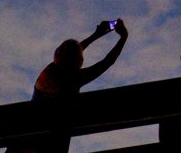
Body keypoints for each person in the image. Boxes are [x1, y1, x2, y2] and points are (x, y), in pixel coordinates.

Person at [27, 18, 129, 153]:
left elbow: (70, 53)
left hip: (28, 131)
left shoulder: (50, 71)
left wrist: (96, 35)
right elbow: (107, 62)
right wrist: (123, 37)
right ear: (78, 61)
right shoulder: (73, 79)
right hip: (52, 140)